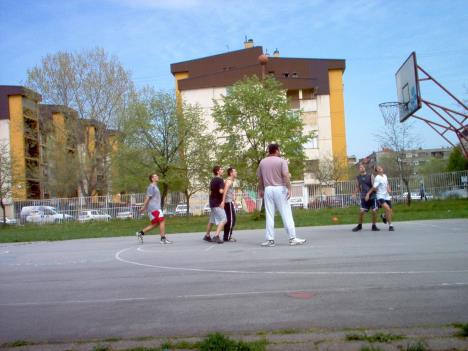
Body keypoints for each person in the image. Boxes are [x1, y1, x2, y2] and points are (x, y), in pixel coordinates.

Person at [257, 143, 307, 247]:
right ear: (276, 150)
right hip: (280, 188)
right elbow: (285, 175)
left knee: (270, 215)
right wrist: (289, 188)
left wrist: (261, 190)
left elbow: (260, 178)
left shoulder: (262, 162)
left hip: (268, 189)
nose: (280, 151)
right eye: (279, 149)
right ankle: (292, 238)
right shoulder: (282, 161)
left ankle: (270, 240)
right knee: (286, 213)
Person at [136, 173, 172, 244]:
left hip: (155, 207)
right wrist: (143, 207)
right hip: (154, 208)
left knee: (156, 224)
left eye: (157, 176)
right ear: (152, 179)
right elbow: (147, 197)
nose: (157, 177)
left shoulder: (155, 186)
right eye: (155, 176)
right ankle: (163, 238)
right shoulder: (151, 186)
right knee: (162, 221)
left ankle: (140, 233)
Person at [351, 163, 380, 232]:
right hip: (364, 197)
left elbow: (374, 187)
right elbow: (358, 186)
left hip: (372, 196)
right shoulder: (358, 177)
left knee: (374, 211)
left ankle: (374, 226)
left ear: (365, 168)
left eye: (362, 167)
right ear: (359, 169)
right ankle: (359, 226)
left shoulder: (370, 176)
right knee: (361, 211)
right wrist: (354, 193)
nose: (361, 168)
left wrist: (368, 194)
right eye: (360, 167)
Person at [365, 165, 394, 231]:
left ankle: (383, 216)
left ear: (382, 169)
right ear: (377, 171)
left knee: (391, 212)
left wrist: (389, 189)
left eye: (380, 167)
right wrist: (368, 194)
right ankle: (390, 226)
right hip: (380, 196)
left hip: (386, 196)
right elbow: (373, 187)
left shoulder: (385, 176)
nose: (379, 168)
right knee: (388, 209)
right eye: (378, 169)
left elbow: (387, 184)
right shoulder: (377, 178)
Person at [203, 165, 227, 244]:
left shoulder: (212, 180)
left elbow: (211, 191)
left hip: (212, 202)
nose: (222, 170)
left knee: (212, 220)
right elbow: (221, 191)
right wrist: (225, 188)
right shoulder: (220, 180)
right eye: (221, 169)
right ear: (217, 171)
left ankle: (207, 235)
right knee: (224, 219)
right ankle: (216, 236)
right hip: (217, 203)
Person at [222, 167, 237, 242]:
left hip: (229, 202)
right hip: (227, 202)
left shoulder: (230, 181)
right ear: (231, 173)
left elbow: (229, 192)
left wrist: (233, 200)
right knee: (231, 220)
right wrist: (223, 201)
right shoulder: (229, 181)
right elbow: (225, 191)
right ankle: (227, 237)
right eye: (235, 171)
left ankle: (226, 236)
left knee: (230, 220)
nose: (236, 172)